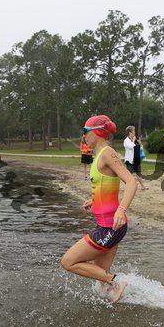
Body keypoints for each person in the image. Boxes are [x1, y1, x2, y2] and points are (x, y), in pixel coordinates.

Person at [61, 115, 137, 303]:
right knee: (102, 282)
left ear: (96, 132)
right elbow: (105, 185)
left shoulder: (107, 153)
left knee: (68, 262)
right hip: (106, 225)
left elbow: (131, 182)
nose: (83, 136)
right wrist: (93, 201)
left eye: (85, 131)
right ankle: (132, 297)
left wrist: (121, 209)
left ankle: (118, 282)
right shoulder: (99, 155)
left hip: (111, 226)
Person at [123, 126, 147, 190]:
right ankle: (128, 186)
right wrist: (133, 141)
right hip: (129, 160)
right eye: (133, 131)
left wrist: (140, 143)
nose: (134, 132)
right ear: (130, 132)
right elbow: (130, 147)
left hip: (136, 159)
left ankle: (142, 186)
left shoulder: (135, 139)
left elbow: (141, 148)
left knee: (139, 173)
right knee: (129, 175)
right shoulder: (126, 141)